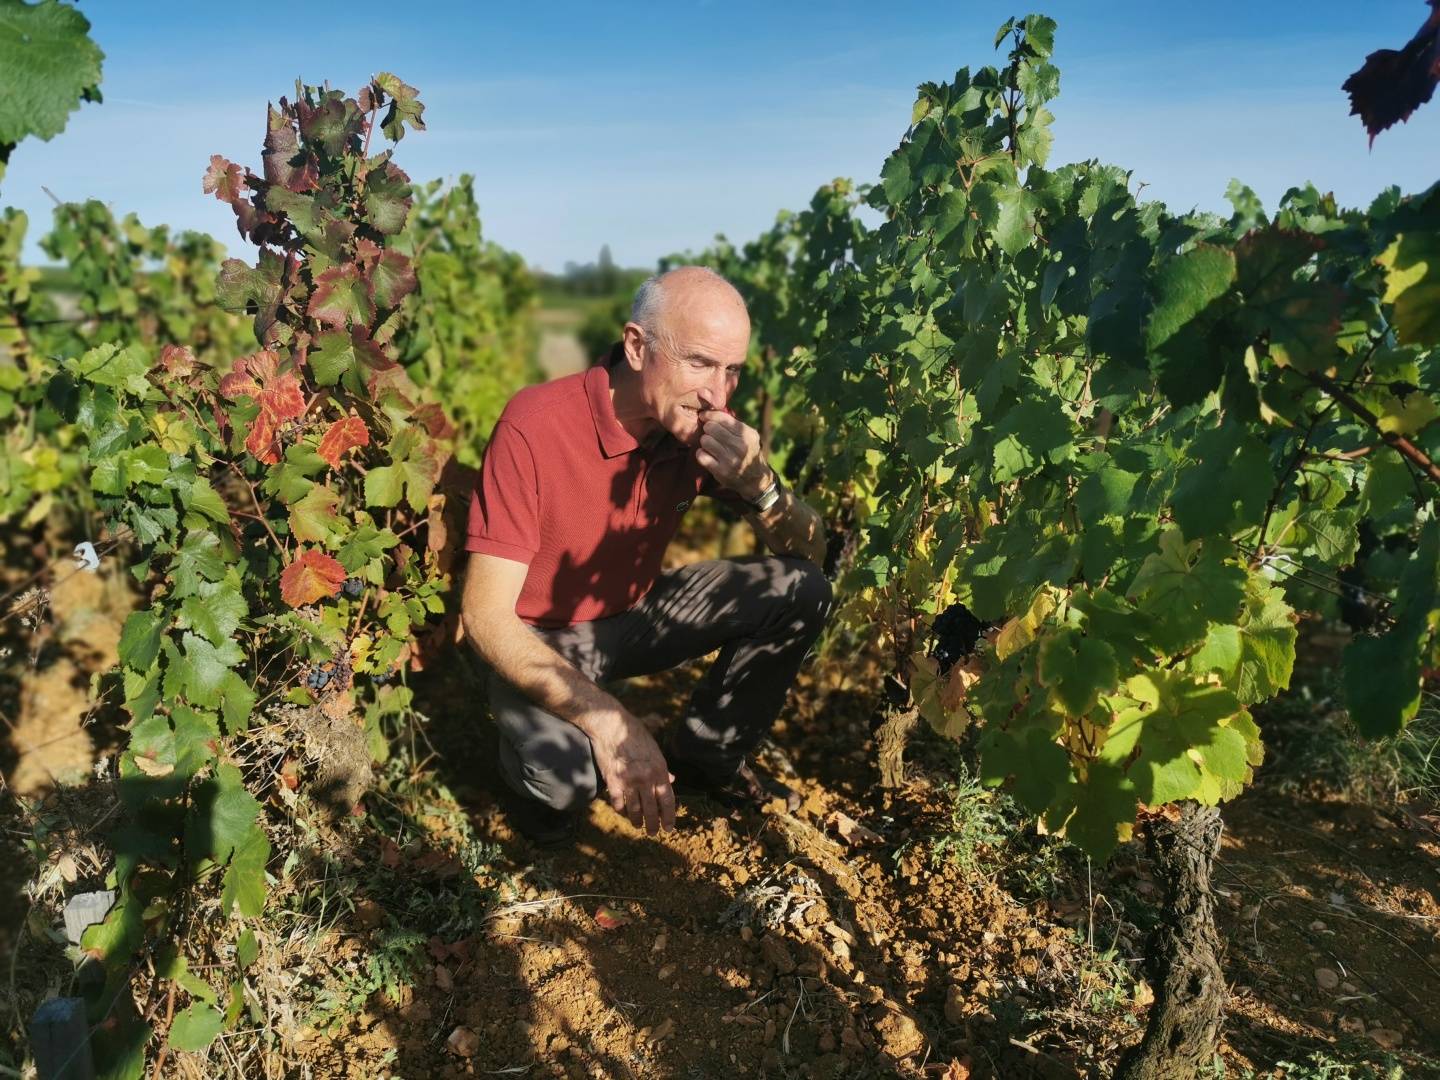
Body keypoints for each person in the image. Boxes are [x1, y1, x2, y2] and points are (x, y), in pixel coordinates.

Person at [459, 266, 831, 845]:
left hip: (636, 615)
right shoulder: (535, 426)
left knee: (802, 589)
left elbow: (811, 552)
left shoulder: (701, 430)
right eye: (700, 363)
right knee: (563, 780)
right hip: (538, 636)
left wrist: (762, 488)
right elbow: (484, 617)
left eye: (731, 371)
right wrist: (610, 723)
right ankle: (524, 782)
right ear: (637, 347)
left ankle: (706, 762)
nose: (719, 394)